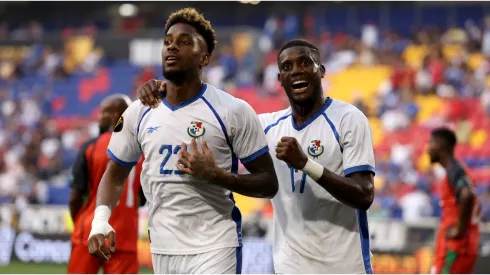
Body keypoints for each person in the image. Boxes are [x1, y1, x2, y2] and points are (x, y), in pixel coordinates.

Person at [138, 39, 375, 273]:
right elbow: (209, 118)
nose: (296, 71)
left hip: (346, 267)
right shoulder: (265, 126)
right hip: (289, 268)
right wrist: (171, 91)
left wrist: (306, 164)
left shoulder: (348, 119)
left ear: (321, 71)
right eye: (286, 67)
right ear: (280, 79)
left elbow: (364, 195)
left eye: (305, 63)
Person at [88, 8, 278, 274]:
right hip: (163, 248)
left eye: (184, 42)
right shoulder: (139, 111)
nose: (172, 48)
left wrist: (217, 176)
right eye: (167, 42)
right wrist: (100, 222)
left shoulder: (232, 110)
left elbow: (268, 183)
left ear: (205, 57)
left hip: (216, 246)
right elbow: (115, 174)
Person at [68, 94, 144, 274]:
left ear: (115, 115)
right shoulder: (144, 151)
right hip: (125, 236)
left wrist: (79, 225)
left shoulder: (91, 147)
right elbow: (142, 198)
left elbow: (74, 197)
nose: (99, 118)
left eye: (103, 113)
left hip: (89, 232)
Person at [428, 127, 480, 274]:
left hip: (455, 248)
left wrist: (459, 229)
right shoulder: (458, 170)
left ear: (441, 144)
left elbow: (467, 195)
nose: (428, 149)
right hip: (465, 246)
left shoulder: (454, 170)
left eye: (431, 143)